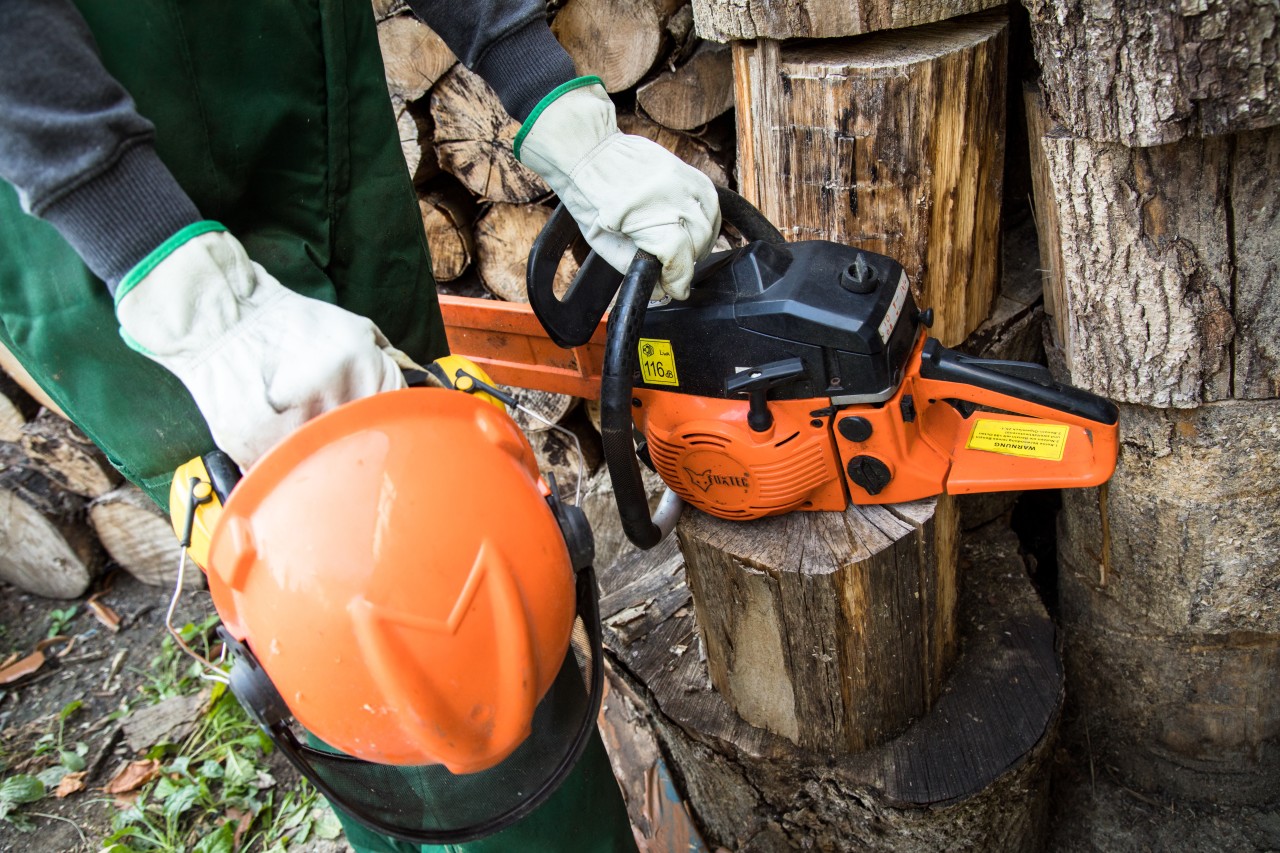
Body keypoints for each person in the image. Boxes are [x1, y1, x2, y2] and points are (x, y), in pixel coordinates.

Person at [0, 1, 721, 850]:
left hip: (313, 92)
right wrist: (181, 284)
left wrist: (559, 110)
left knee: (483, 559)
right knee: (368, 605)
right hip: (91, 175)